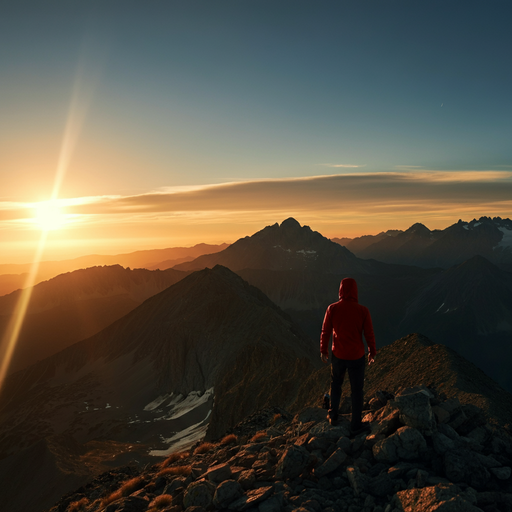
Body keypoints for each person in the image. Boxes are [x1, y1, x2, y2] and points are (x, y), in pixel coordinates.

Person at [320, 277, 376, 434]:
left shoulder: (332, 309)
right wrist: (372, 352)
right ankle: (356, 424)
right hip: (356, 356)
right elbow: (369, 333)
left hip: (338, 354)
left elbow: (325, 332)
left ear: (340, 290)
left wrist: (323, 350)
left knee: (336, 384)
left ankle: (333, 414)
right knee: (356, 390)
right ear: (355, 291)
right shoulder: (363, 311)